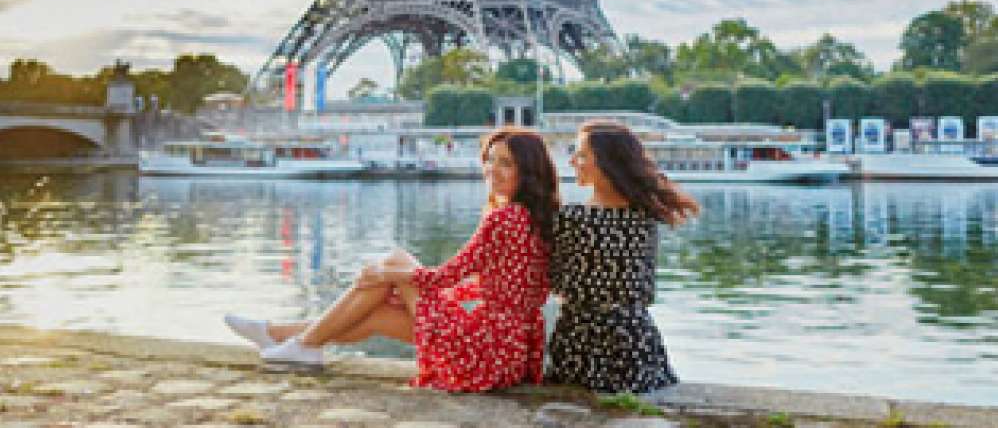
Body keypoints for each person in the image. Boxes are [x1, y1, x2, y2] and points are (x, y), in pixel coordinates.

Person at [224, 127, 559, 393]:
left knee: (393, 266)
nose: (492, 170)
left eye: (505, 163)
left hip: (482, 352)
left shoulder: (504, 218)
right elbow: (492, 287)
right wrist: (409, 285)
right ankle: (282, 336)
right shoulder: (536, 218)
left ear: (527, 171)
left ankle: (295, 340)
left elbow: (444, 276)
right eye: (490, 159)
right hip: (508, 355)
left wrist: (387, 275)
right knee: (377, 313)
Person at [546, 120, 700, 394]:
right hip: (636, 344)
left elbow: (556, 282)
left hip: (581, 341)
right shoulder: (645, 218)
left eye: (581, 155)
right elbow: (645, 289)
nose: (572, 161)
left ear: (605, 163)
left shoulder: (571, 218)